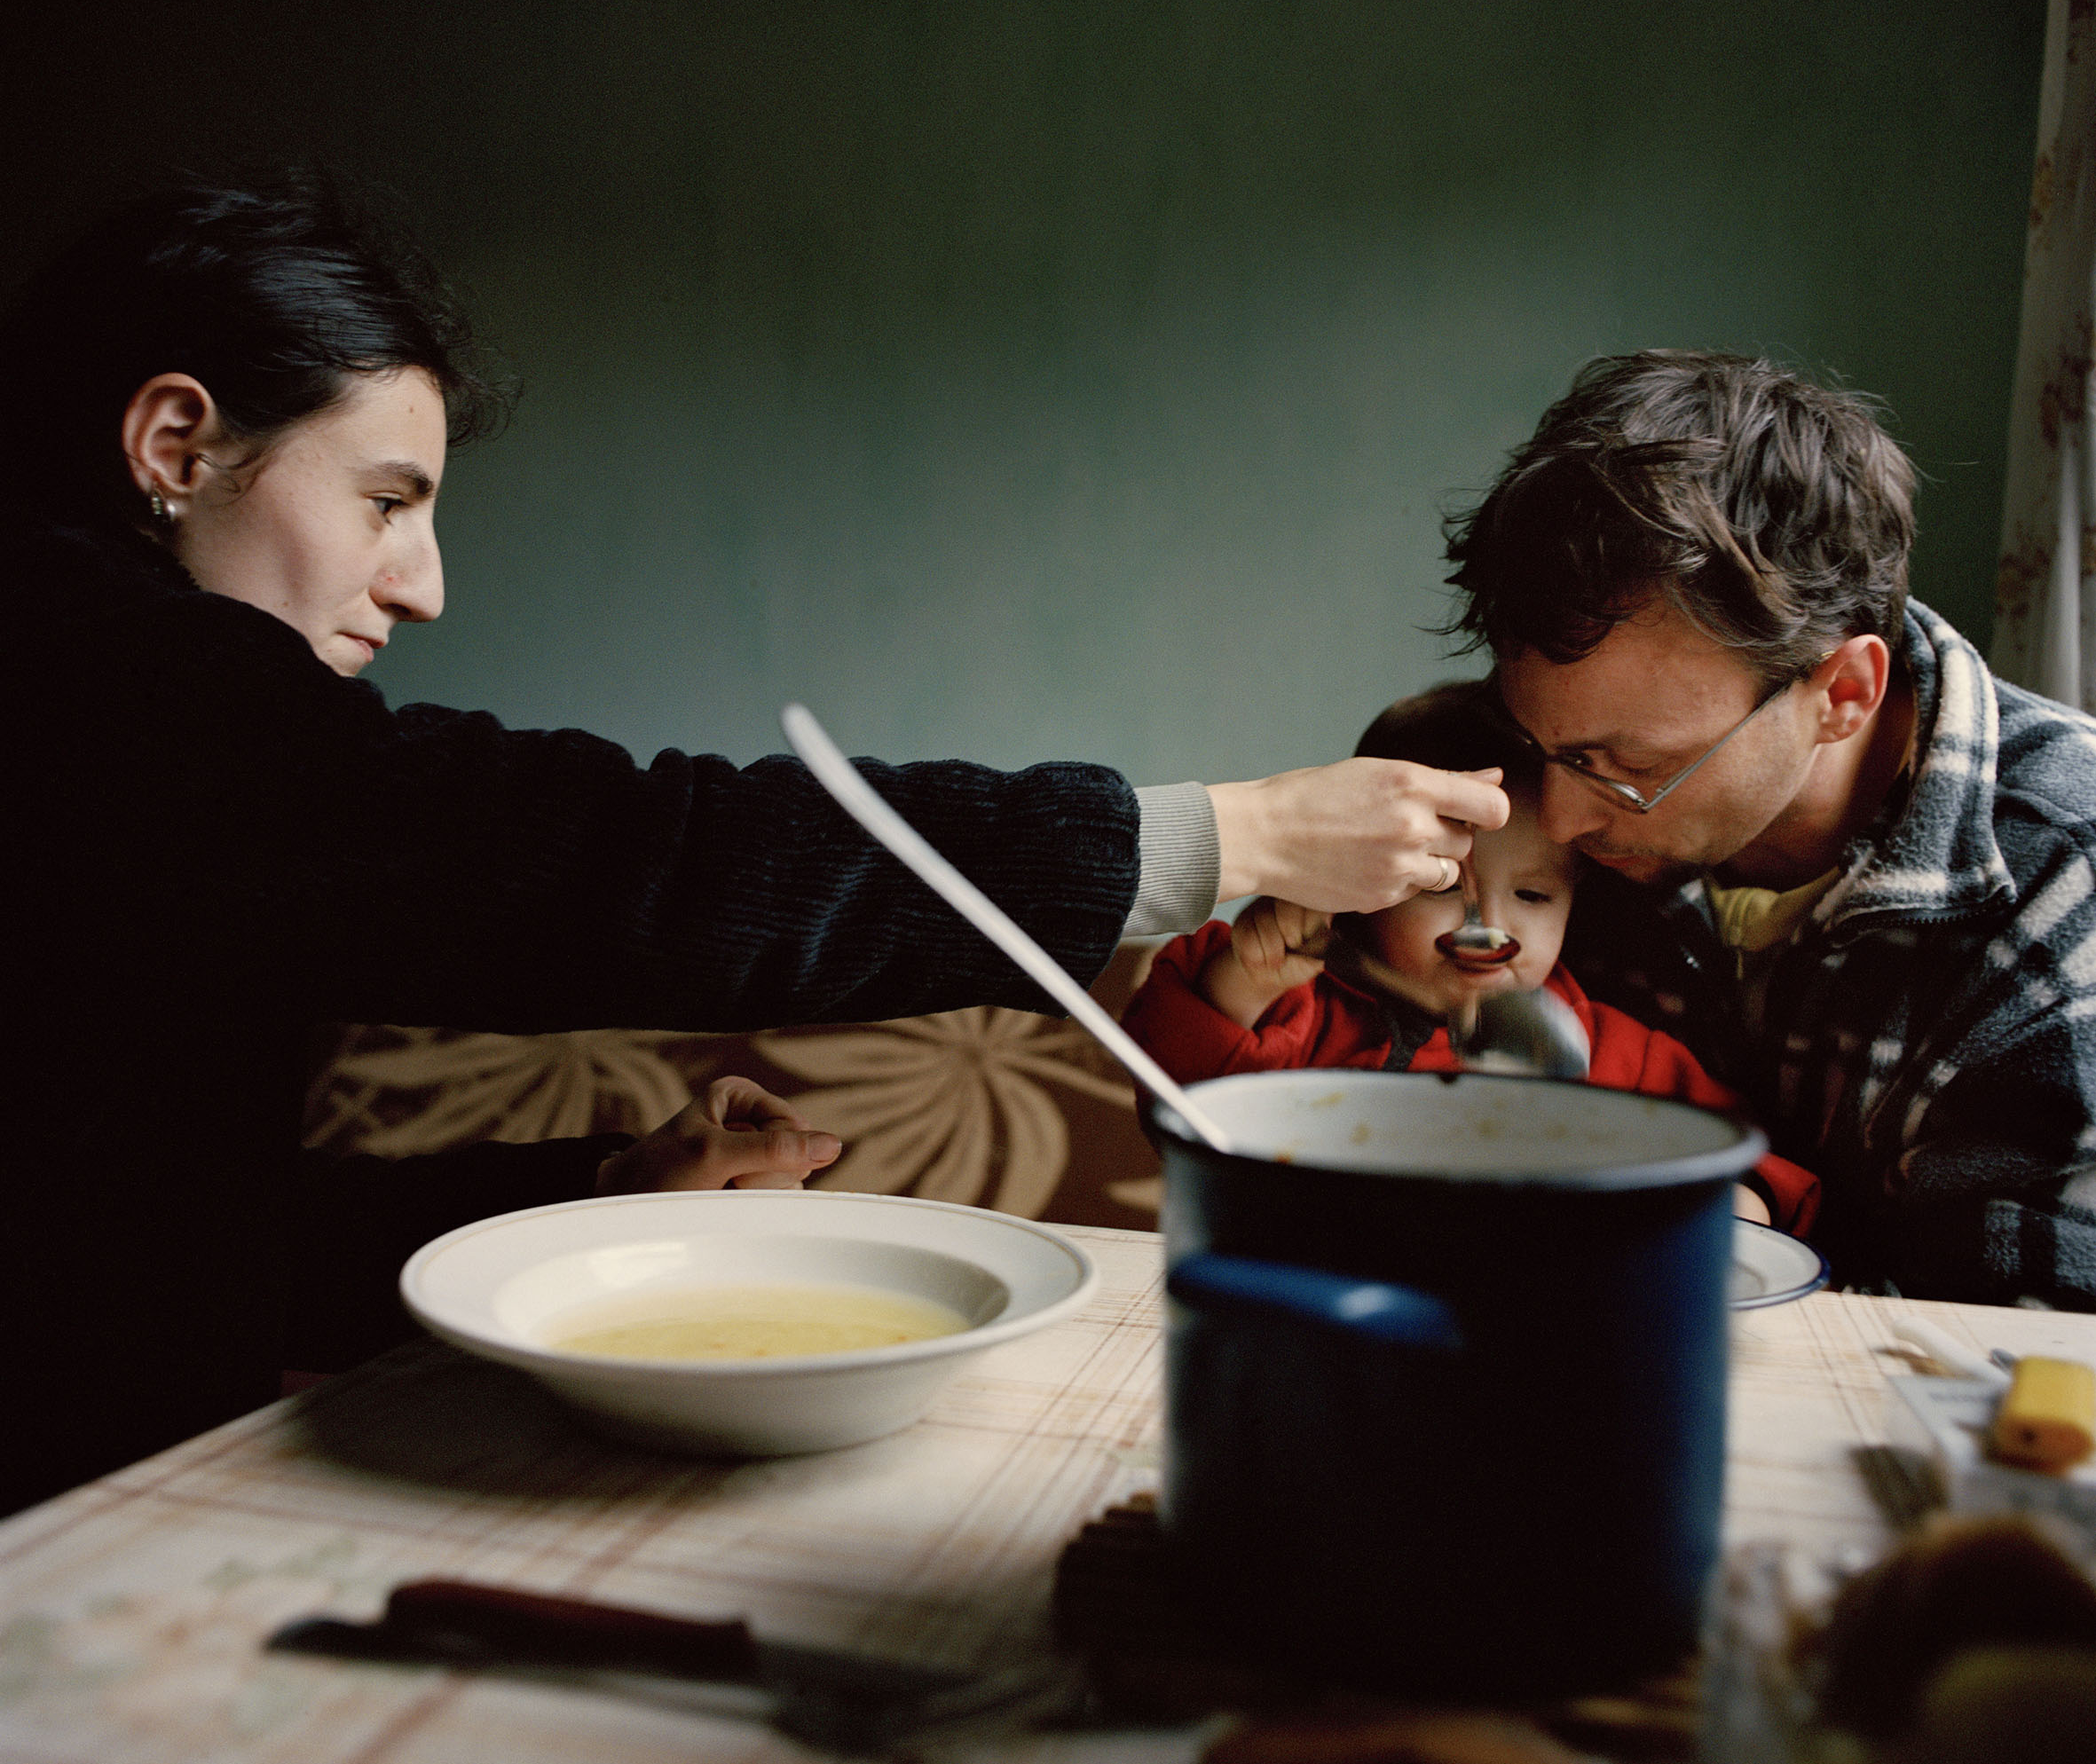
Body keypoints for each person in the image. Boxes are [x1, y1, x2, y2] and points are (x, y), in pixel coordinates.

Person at [1, 172, 1509, 1516]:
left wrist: (598, 1192)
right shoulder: (79, 663)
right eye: (387, 500)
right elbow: (618, 856)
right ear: (175, 441)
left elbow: (167, 1245)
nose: (424, 586)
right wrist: (1228, 831)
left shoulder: (132, 776)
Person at [1446, 349, 2096, 1307]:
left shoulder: (2063, 889)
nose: (1562, 818)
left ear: (1842, 692)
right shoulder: (1530, 792)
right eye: (1546, 746)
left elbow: (2008, 1357)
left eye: (1627, 766)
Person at [1123, 683, 1821, 1233]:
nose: (1490, 927)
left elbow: (1750, 1162)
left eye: (1534, 894)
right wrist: (1246, 981)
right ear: (1366, 888)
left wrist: (1742, 1203)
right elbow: (1185, 1102)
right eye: (1442, 884)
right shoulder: (1308, 1014)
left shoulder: (1615, 1056)